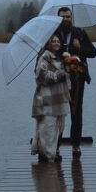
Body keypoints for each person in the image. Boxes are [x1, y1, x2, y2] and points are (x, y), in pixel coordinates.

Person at [56, 6, 96, 158]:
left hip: (77, 79)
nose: (65, 19)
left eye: (68, 16)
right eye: (62, 17)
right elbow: (45, 53)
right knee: (58, 113)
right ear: (58, 18)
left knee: (76, 112)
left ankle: (76, 145)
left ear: (71, 18)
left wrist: (79, 48)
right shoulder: (53, 34)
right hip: (58, 79)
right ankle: (56, 145)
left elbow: (93, 52)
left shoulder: (80, 33)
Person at [31, 34, 70, 164]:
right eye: (53, 41)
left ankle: (50, 154)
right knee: (47, 128)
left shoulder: (62, 57)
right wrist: (58, 75)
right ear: (48, 43)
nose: (56, 43)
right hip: (47, 99)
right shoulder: (44, 56)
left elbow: (66, 79)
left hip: (60, 98)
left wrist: (70, 72)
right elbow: (40, 77)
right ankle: (47, 156)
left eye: (58, 41)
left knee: (59, 127)